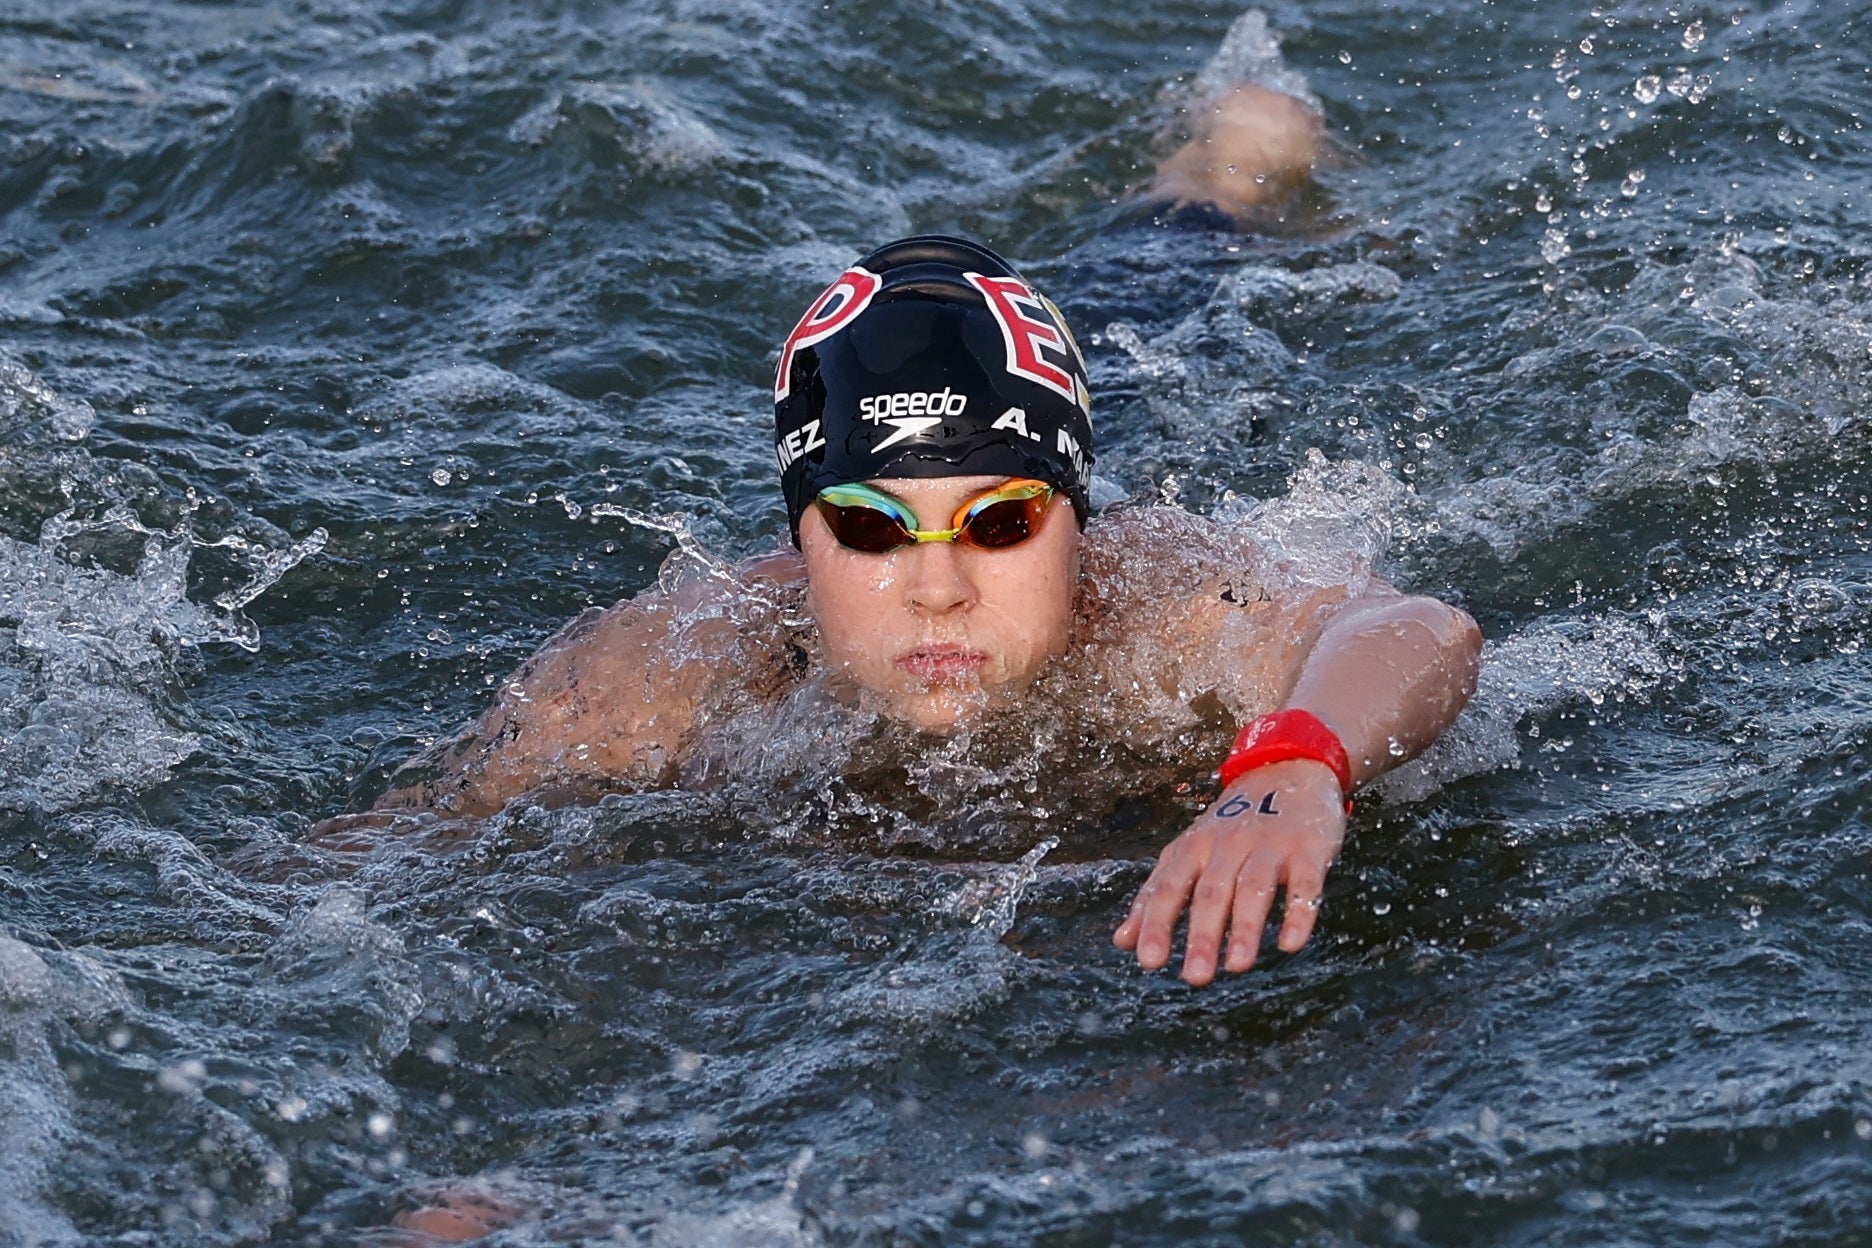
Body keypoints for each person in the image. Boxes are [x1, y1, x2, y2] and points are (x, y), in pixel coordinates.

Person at [335, 84, 1478, 994]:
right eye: (872, 530)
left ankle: (1223, 170)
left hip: (1161, 386)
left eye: (1001, 525)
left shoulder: (1162, 604)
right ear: (804, 542)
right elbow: (386, 867)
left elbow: (1413, 628)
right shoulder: (676, 668)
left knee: (1179, 267)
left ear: (1073, 523)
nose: (937, 588)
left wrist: (1291, 766)